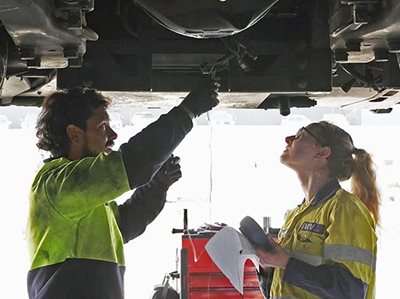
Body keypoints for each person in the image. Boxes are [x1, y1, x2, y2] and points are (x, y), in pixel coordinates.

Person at [27, 79, 219, 299]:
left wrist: (157, 185)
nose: (113, 135)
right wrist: (187, 112)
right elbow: (133, 162)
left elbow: (125, 225)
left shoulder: (83, 195)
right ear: (74, 134)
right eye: (102, 127)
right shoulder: (58, 184)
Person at [255, 121, 379, 299]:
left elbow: (350, 291)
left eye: (299, 136)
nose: (288, 140)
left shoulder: (345, 210)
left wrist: (287, 263)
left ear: (322, 153)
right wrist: (268, 268)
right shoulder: (294, 215)